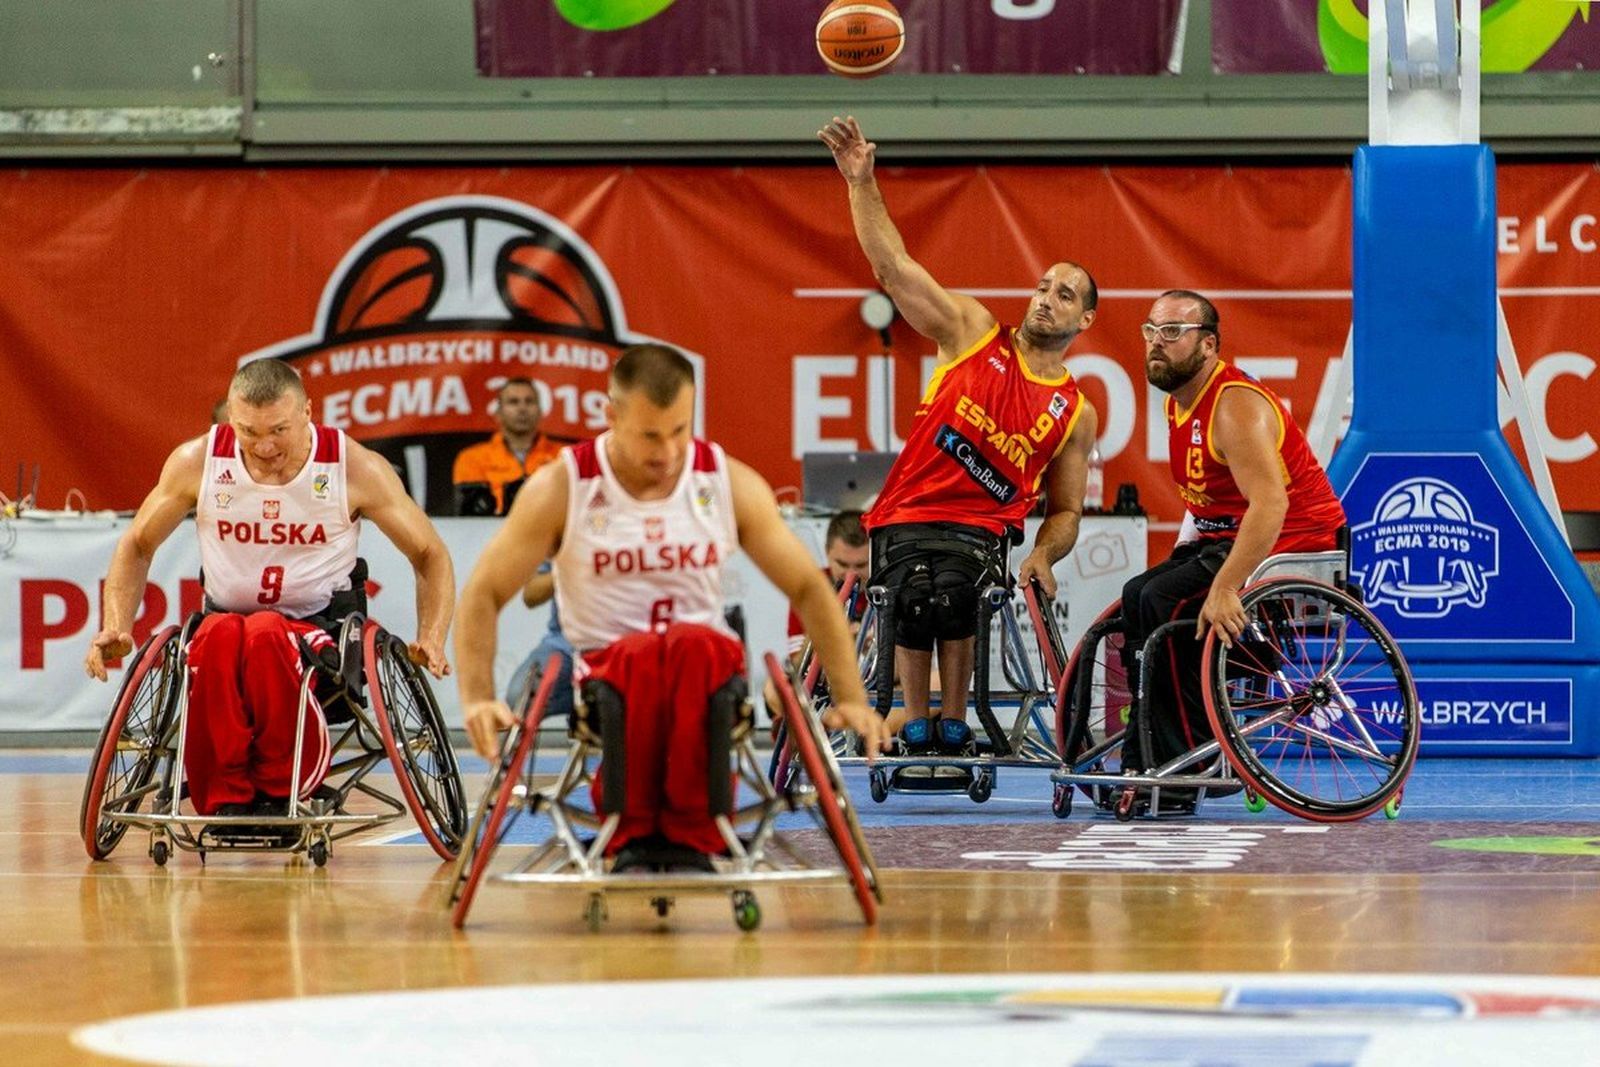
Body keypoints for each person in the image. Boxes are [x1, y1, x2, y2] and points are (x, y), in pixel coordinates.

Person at [455, 344, 888, 862]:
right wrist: (477, 697)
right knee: (643, 652)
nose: (667, 452)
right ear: (612, 415)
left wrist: (851, 697)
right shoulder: (564, 486)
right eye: (649, 435)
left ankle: (687, 828)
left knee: (693, 645)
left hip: (701, 664)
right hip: (605, 666)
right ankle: (644, 829)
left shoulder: (724, 480)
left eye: (679, 430)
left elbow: (809, 587)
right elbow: (484, 590)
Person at [819, 114, 1100, 762]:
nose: (1045, 299)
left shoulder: (1075, 411)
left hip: (981, 533)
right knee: (914, 599)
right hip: (906, 515)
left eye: (1064, 295)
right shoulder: (972, 332)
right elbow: (893, 268)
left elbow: (1065, 511)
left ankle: (954, 720)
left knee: (955, 596)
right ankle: (916, 720)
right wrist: (861, 181)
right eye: (1042, 286)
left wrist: (1045, 554)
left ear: (1084, 318)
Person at [84, 359, 455, 830]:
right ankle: (224, 795)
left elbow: (429, 553)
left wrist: (432, 635)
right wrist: (116, 625)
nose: (263, 446)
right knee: (219, 637)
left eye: (278, 430)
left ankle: (284, 786)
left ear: (307, 413)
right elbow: (137, 544)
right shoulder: (197, 462)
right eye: (248, 431)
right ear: (230, 418)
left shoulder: (353, 467)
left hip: (319, 629)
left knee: (265, 633)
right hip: (223, 621)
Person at [1121, 290, 1346, 800]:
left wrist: (1225, 588)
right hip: (1230, 536)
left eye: (1172, 332)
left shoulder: (1234, 406)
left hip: (1294, 544)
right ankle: (1144, 754)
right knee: (1138, 593)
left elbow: (1271, 505)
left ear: (1208, 345)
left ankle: (1189, 767)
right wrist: (1179, 561)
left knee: (1164, 601)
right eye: (1151, 330)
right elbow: (1203, 504)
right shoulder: (1179, 405)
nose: (1157, 342)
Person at [452, 377, 563, 516]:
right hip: (491, 529)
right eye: (513, 402)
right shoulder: (471, 459)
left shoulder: (563, 456)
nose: (522, 409)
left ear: (541, 411)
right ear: (498, 413)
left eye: (529, 401)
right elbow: (470, 515)